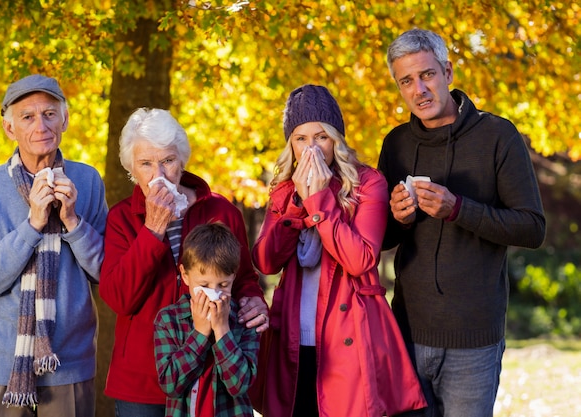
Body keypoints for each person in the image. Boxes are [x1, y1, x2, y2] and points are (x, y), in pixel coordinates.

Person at [378, 28, 546, 417]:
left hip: (474, 339)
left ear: (448, 72)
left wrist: (459, 209)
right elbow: (381, 238)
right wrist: (398, 218)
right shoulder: (396, 144)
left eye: (427, 75)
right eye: (406, 81)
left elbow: (532, 228)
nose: (418, 89)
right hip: (406, 333)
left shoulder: (497, 135)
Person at [250, 84, 427, 417]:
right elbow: (266, 261)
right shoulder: (285, 190)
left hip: (350, 336)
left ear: (336, 139)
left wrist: (318, 200)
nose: (311, 148)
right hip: (292, 334)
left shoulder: (367, 183)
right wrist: (297, 205)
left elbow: (360, 260)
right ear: (290, 143)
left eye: (321, 137)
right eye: (301, 139)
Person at [99, 107, 268, 416]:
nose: (159, 175)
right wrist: (152, 230)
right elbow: (119, 298)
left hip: (213, 376)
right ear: (131, 170)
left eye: (168, 161)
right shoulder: (122, 218)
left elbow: (243, 278)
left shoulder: (221, 211)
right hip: (144, 381)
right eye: (146, 164)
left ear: (182, 159)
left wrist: (255, 300)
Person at [0, 74, 108, 416]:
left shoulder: (87, 180)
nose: (40, 125)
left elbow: (105, 271)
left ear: (65, 119)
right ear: (9, 128)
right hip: (2, 364)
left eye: (49, 113)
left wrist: (72, 221)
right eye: (27, 116)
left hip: (68, 361)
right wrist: (33, 224)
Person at [154, 222, 260, 417]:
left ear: (233, 278)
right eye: (204, 285)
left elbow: (239, 385)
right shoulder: (168, 320)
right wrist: (200, 333)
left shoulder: (244, 319)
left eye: (223, 285)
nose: (214, 294)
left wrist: (222, 330)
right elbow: (170, 384)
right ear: (185, 276)